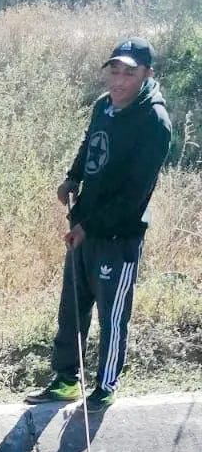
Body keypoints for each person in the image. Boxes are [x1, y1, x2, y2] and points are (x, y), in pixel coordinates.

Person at [26, 38, 172, 409]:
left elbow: (134, 195)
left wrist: (88, 227)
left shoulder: (154, 122)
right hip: (84, 222)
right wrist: (73, 177)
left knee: (112, 315)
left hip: (118, 236)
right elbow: (89, 145)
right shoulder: (103, 106)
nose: (118, 81)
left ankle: (106, 384)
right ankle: (65, 379)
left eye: (129, 73)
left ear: (147, 74)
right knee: (72, 307)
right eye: (115, 71)